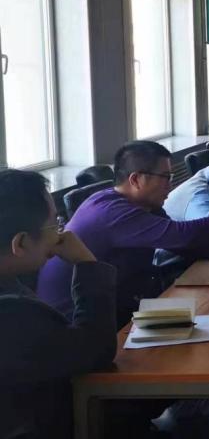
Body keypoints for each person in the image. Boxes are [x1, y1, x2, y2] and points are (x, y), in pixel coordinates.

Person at [37, 141, 209, 325]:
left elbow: (183, 243)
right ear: (135, 179)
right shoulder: (112, 211)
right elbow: (184, 234)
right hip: (78, 323)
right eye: (165, 178)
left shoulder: (145, 206)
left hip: (119, 304)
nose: (170, 186)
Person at [0, 169, 117, 439]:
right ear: (20, 243)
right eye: (54, 224)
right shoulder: (11, 315)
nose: (60, 233)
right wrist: (88, 265)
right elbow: (96, 350)